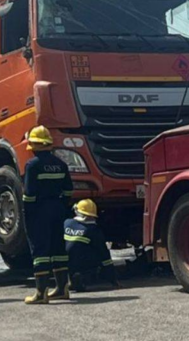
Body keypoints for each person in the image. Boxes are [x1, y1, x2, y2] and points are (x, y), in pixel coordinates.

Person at [21, 125, 73, 305]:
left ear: (33, 145)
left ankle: (41, 293)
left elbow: (29, 194)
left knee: (40, 250)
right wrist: (61, 206)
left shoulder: (32, 165)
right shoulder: (61, 164)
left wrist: (27, 213)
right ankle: (62, 288)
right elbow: (68, 190)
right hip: (58, 208)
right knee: (58, 249)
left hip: (39, 210)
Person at [64, 199, 119, 292]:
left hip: (63, 263)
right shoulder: (94, 230)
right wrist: (113, 280)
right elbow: (105, 256)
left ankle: (67, 279)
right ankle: (82, 278)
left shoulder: (66, 223)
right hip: (82, 264)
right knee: (95, 252)